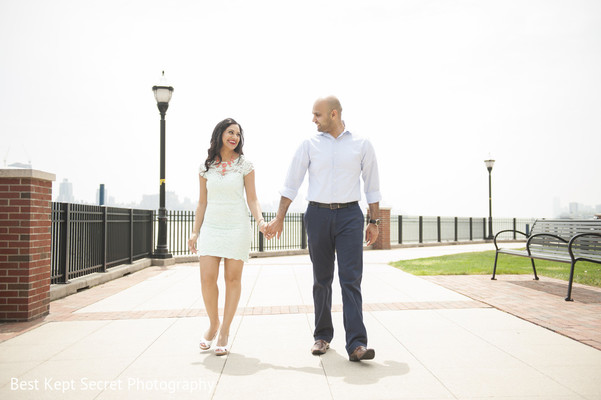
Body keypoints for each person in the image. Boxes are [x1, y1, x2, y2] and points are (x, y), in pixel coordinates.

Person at [265, 96, 381, 362]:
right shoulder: (309, 144)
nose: (313, 119)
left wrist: (374, 222)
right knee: (322, 279)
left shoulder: (362, 144)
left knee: (351, 279)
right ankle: (322, 336)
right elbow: (291, 183)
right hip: (317, 215)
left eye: (317, 115)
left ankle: (357, 344)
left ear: (333, 114)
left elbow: (372, 186)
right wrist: (280, 217)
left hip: (351, 216)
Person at [188, 118, 267, 356]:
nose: (235, 137)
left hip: (237, 226)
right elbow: (202, 201)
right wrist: (195, 231)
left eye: (238, 134)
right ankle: (213, 324)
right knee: (207, 279)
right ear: (220, 133)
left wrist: (261, 221)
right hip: (211, 227)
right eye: (230, 132)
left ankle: (225, 331)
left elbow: (252, 198)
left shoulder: (245, 165)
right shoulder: (206, 167)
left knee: (232, 280)